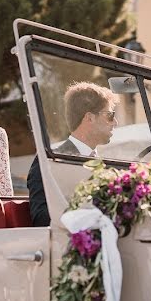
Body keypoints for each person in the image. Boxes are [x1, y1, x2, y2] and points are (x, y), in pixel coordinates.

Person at [27, 82, 119, 227]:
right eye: (110, 115)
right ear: (89, 118)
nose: (115, 122)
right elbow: (41, 217)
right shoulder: (50, 160)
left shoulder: (108, 165)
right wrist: (89, 219)